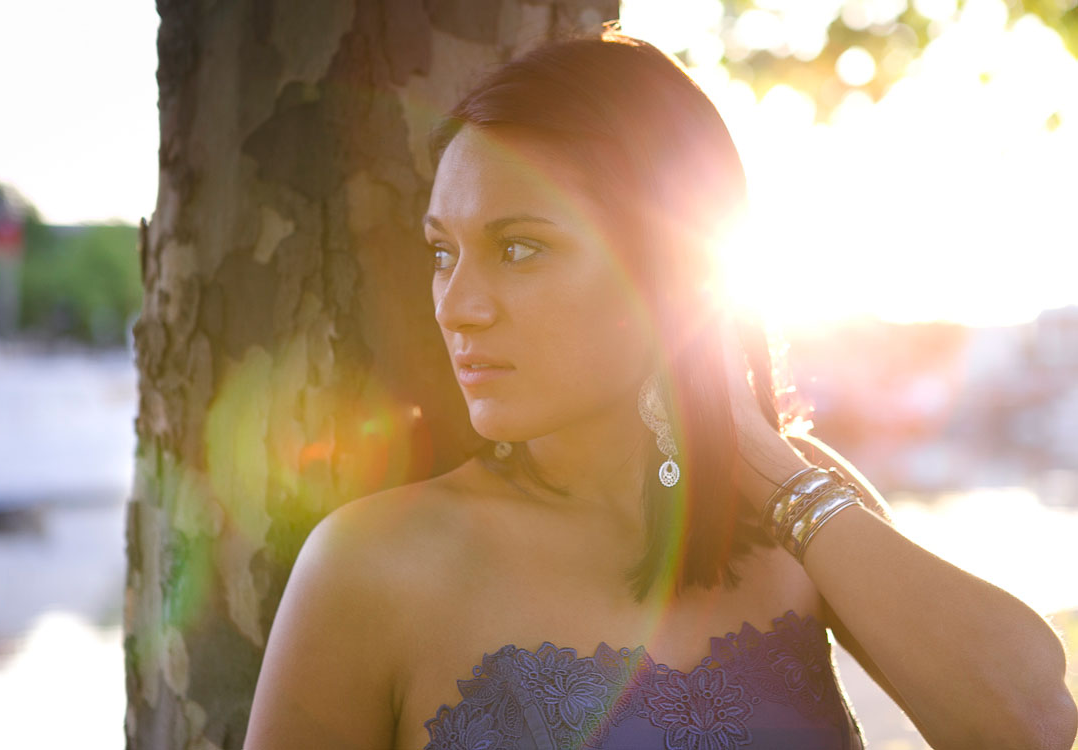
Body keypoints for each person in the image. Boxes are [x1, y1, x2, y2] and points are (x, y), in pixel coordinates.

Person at [243, 29, 1076, 750]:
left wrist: (753, 450)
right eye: (441, 252)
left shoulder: (791, 507)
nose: (458, 306)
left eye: (520, 249)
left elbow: (1029, 720)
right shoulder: (372, 566)